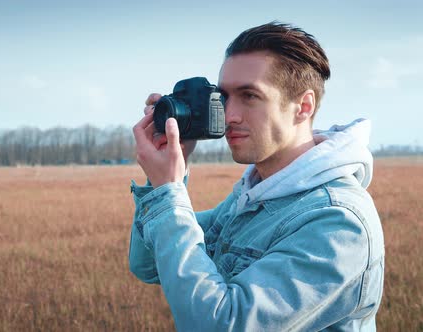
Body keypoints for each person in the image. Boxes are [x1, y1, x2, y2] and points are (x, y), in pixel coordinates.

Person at [129, 22, 384, 331]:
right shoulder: (254, 193)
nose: (229, 115)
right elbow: (149, 265)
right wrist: (165, 177)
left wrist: (169, 194)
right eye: (223, 97)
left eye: (249, 96)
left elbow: (220, 325)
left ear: (303, 107)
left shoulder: (338, 221)